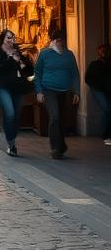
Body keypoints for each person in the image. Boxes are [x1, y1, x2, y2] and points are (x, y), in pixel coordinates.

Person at [34, 25, 80, 159]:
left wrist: (77, 92)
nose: (60, 43)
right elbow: (37, 72)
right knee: (54, 117)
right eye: (57, 40)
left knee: (62, 120)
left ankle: (61, 145)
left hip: (66, 91)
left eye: (62, 40)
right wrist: (39, 91)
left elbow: (75, 74)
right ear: (52, 40)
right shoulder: (44, 54)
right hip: (49, 90)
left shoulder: (69, 55)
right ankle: (55, 148)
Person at [0, 28, 33, 157]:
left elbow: (29, 70)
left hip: (17, 87)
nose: (11, 40)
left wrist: (23, 63)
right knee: (10, 113)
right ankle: (11, 144)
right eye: (8, 37)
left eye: (12, 37)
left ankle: (12, 137)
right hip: (2, 87)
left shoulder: (17, 52)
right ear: (2, 39)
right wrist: (11, 60)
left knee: (17, 116)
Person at [88, 43, 111, 146]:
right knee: (106, 109)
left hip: (108, 90)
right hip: (98, 90)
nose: (103, 53)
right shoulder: (94, 64)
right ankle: (105, 135)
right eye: (101, 51)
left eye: (105, 51)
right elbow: (88, 78)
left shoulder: (109, 64)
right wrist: (97, 87)